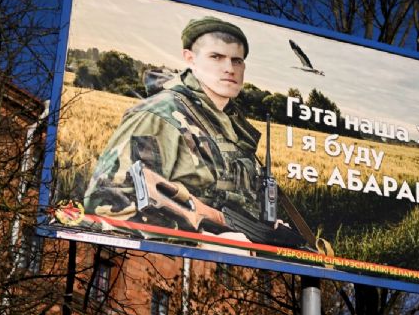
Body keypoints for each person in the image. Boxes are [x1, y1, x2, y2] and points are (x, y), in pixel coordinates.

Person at [82, 16, 278, 242]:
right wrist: (204, 241)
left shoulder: (234, 130)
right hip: (168, 266)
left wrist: (262, 229)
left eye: (237, 61)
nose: (229, 69)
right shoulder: (159, 115)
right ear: (190, 59)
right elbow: (105, 204)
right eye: (216, 57)